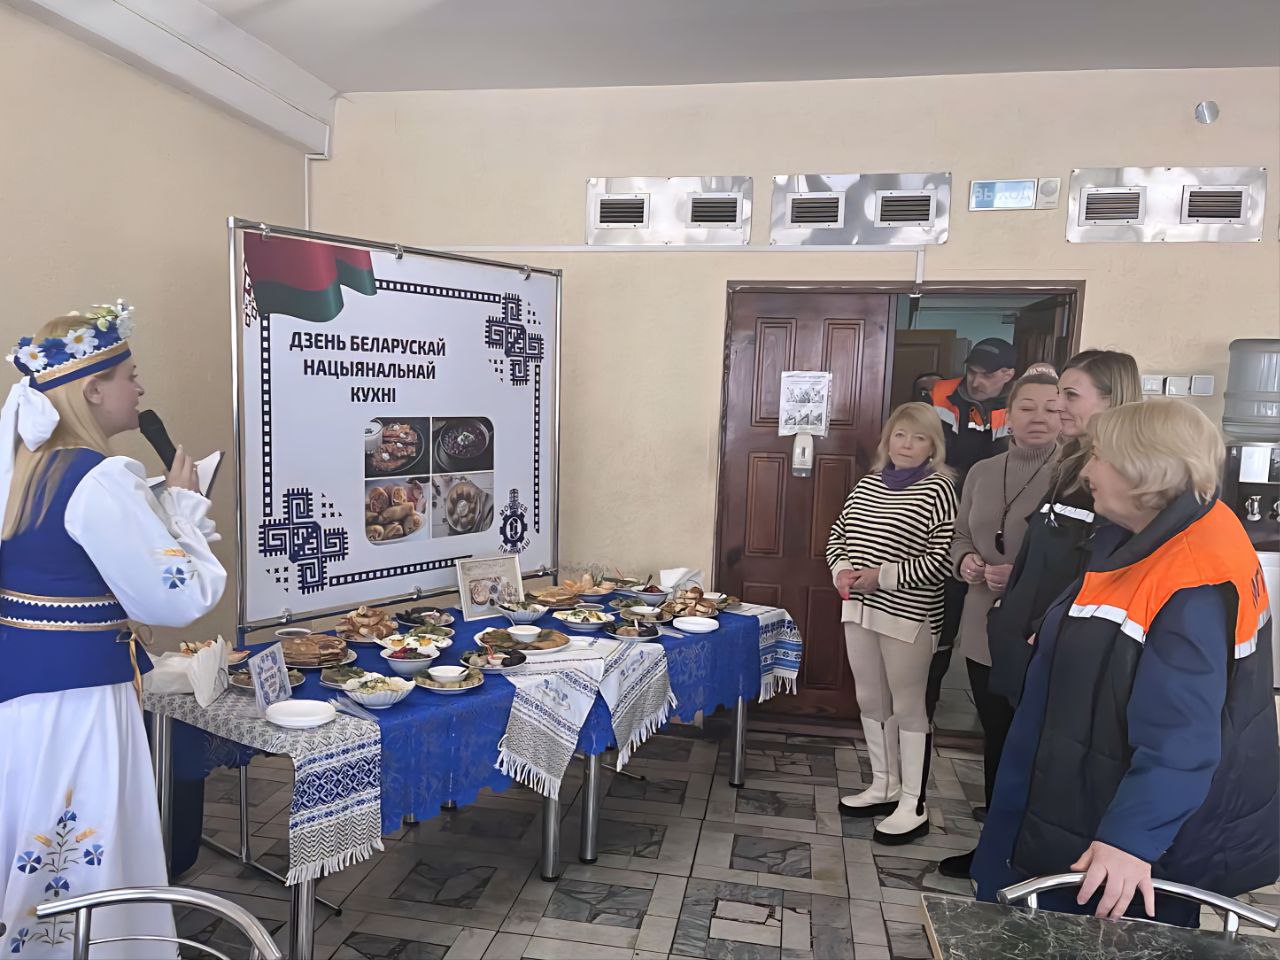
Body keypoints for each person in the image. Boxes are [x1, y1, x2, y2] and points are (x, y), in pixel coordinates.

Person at [972, 399, 1277, 925]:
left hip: (1105, 839)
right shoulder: (1151, 536)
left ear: (1144, 470)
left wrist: (1130, 840)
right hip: (1074, 783)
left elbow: (1183, 738)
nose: (1087, 471)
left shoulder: (1191, 583)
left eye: (1100, 457)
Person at [0, 304, 226, 958]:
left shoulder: (24, 468)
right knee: (85, 844)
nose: (141, 387)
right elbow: (179, 597)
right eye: (130, 375)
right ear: (93, 388)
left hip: (25, 695)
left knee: (37, 834)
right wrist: (183, 508)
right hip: (81, 702)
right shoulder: (99, 477)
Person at [935, 373, 1061, 879]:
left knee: (1033, 739)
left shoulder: (1072, 474)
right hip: (982, 620)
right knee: (996, 733)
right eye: (1026, 407)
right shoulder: (984, 471)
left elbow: (1078, 559)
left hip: (1037, 627)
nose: (1038, 418)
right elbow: (960, 534)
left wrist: (1023, 578)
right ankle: (994, 844)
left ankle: (1031, 850)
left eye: (1051, 408)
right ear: (1009, 414)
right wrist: (965, 560)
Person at [827, 402, 958, 844]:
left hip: (909, 614)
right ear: (888, 440)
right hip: (859, 609)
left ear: (933, 446)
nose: (907, 444)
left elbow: (941, 560)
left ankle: (913, 803)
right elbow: (837, 535)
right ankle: (883, 784)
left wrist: (881, 577)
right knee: (869, 698)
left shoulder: (939, 489)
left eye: (919, 437)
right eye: (900, 435)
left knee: (908, 705)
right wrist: (842, 570)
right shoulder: (868, 483)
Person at [984, 350, 1142, 707]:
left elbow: (1106, 572)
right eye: (1060, 393)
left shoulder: (1119, 482)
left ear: (1112, 399)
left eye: (1071, 395)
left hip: (1059, 651)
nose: (1058, 406)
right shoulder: (1069, 466)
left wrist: (1048, 627)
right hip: (1025, 645)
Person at [924, 338, 1017, 724]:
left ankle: (992, 720)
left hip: (994, 534)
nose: (976, 381)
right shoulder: (939, 394)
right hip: (942, 521)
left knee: (990, 636)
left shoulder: (1019, 407)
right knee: (939, 630)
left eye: (987, 375)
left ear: (1008, 375)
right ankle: (924, 713)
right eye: (972, 371)